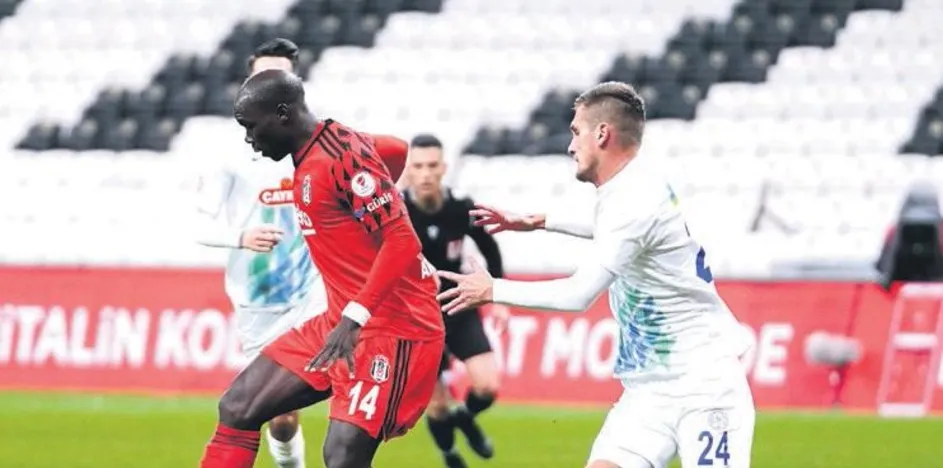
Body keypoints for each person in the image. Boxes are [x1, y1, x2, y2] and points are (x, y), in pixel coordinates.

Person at [437, 81, 756, 468]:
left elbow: (578, 295)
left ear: (602, 134)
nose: (571, 146)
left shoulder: (633, 201)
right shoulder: (632, 187)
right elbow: (615, 227)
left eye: (576, 132)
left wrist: (493, 289)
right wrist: (543, 221)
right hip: (648, 392)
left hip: (704, 386)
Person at [199, 68, 444, 468]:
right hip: (339, 323)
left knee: (342, 456)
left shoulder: (341, 157)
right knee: (238, 407)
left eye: (251, 127)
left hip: (396, 329)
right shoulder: (324, 151)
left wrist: (354, 315)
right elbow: (396, 149)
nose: (249, 139)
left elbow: (402, 240)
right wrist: (374, 204)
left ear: (282, 114)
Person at [195, 37, 318, 468]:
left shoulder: (317, 143)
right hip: (259, 301)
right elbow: (199, 225)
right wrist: (242, 237)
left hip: (315, 295)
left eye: (280, 76)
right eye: (262, 75)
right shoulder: (229, 153)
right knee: (280, 418)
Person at [402, 134, 506, 468]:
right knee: (436, 406)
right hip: (414, 315)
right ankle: (449, 454)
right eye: (418, 166)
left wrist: (499, 296)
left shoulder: (460, 207)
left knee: (488, 386)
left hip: (457, 305)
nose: (426, 174)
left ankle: (465, 417)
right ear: (408, 170)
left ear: (443, 168)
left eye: (432, 165)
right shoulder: (396, 211)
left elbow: (490, 248)